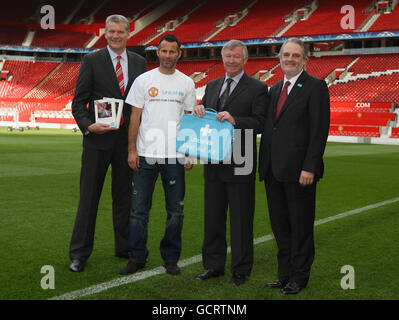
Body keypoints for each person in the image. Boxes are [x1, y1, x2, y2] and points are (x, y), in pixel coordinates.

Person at [69, 14, 147, 272]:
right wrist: (88, 126)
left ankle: (123, 247)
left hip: (127, 142)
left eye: (120, 32)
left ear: (128, 33)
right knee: (89, 198)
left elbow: (141, 104)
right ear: (105, 33)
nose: (115, 35)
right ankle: (79, 253)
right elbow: (78, 102)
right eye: (111, 31)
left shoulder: (139, 62)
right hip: (97, 141)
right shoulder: (92, 60)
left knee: (124, 198)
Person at [120, 34, 196, 276]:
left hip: (174, 157)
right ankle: (136, 257)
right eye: (163, 51)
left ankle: (171, 258)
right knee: (138, 211)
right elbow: (134, 117)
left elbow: (190, 119)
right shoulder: (143, 80)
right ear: (158, 52)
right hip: (146, 156)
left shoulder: (186, 83)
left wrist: (189, 152)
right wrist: (132, 150)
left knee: (175, 211)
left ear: (179, 54)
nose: (167, 55)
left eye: (172, 51)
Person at [193, 40, 268, 286]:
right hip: (214, 159)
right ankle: (213, 266)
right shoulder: (213, 85)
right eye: (228, 56)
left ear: (245, 59)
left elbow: (260, 123)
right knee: (213, 217)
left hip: (241, 159)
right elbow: (208, 116)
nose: (231, 60)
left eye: (236, 56)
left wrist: (236, 120)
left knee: (240, 219)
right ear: (222, 58)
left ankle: (240, 270)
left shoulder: (258, 88)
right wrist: (200, 111)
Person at [258, 38, 330, 294]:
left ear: (304, 59)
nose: (290, 59)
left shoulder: (316, 86)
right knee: (280, 227)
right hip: (273, 171)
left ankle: (299, 277)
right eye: (286, 54)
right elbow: (269, 128)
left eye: (295, 55)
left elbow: (319, 131)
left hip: (300, 172)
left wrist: (310, 167)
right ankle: (284, 274)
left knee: (300, 227)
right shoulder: (275, 89)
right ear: (279, 58)